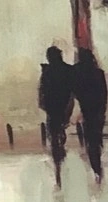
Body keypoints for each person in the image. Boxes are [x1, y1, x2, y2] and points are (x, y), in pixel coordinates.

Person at [39, 46, 74, 188]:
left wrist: (44, 106)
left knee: (53, 138)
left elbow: (42, 92)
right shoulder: (67, 70)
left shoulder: (47, 72)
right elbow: (71, 92)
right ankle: (60, 160)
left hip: (52, 110)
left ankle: (58, 167)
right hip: (63, 108)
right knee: (58, 135)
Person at [73, 48, 107, 184]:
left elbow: (76, 91)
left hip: (87, 110)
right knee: (96, 140)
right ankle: (97, 168)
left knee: (90, 141)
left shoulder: (78, 73)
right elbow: (104, 94)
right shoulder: (98, 73)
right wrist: (102, 110)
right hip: (98, 111)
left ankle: (96, 169)